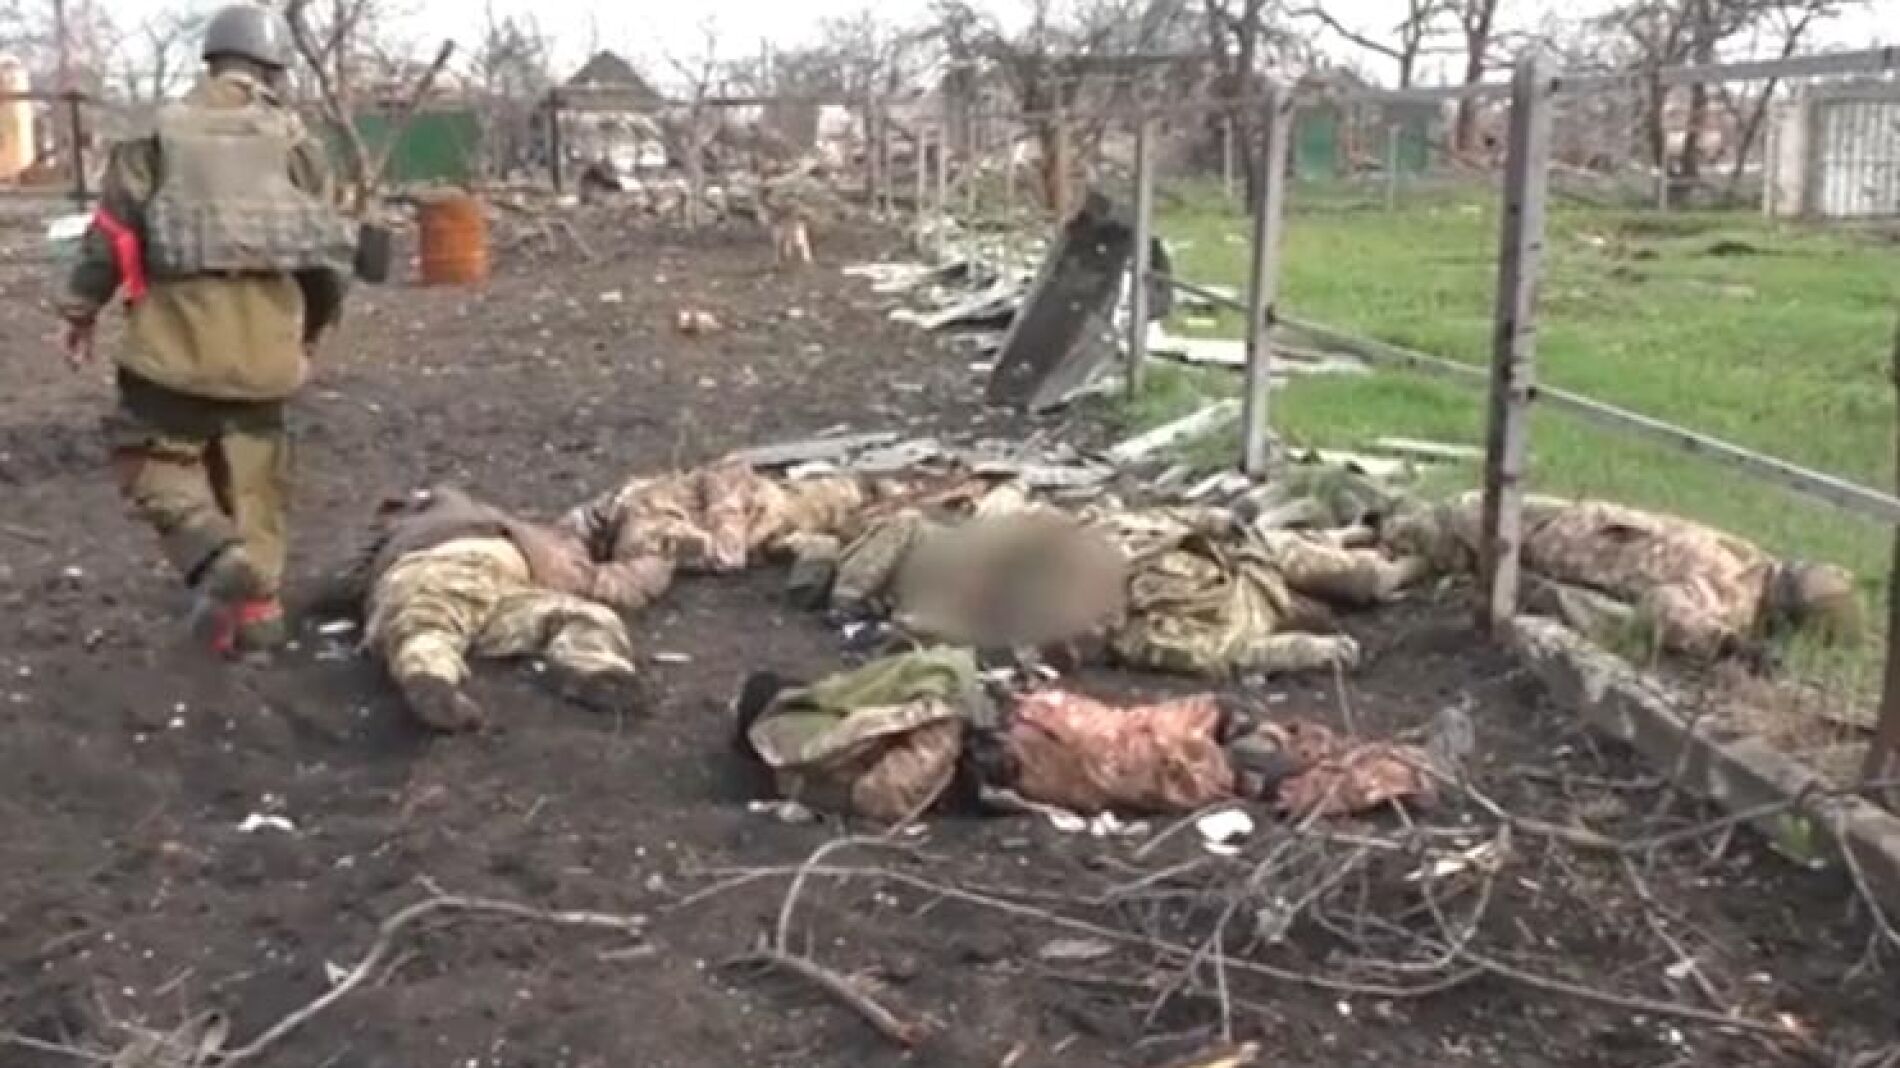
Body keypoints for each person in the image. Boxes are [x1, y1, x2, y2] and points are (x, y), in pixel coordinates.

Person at [55, 5, 353, 656]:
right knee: (256, 477)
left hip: (173, 349)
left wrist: (80, 311)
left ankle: (212, 549)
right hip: (267, 355)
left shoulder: (158, 134)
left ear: (211, 60)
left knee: (148, 455)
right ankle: (259, 618)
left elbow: (112, 236)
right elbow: (329, 257)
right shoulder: (298, 144)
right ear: (274, 68)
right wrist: (308, 334)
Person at [1385, 492, 1863, 661]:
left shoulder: (1746, 560)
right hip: (1542, 541)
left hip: (1567, 523)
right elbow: (1664, 608)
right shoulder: (1731, 596)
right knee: (1422, 533)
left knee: (1445, 519)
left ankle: (1383, 520)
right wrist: (1724, 644)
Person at [337, 487, 651, 733]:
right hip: (503, 577)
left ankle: (430, 677)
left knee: (426, 624)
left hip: (431, 570)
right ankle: (596, 667)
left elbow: (342, 585)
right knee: (578, 616)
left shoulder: (403, 531)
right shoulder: (497, 521)